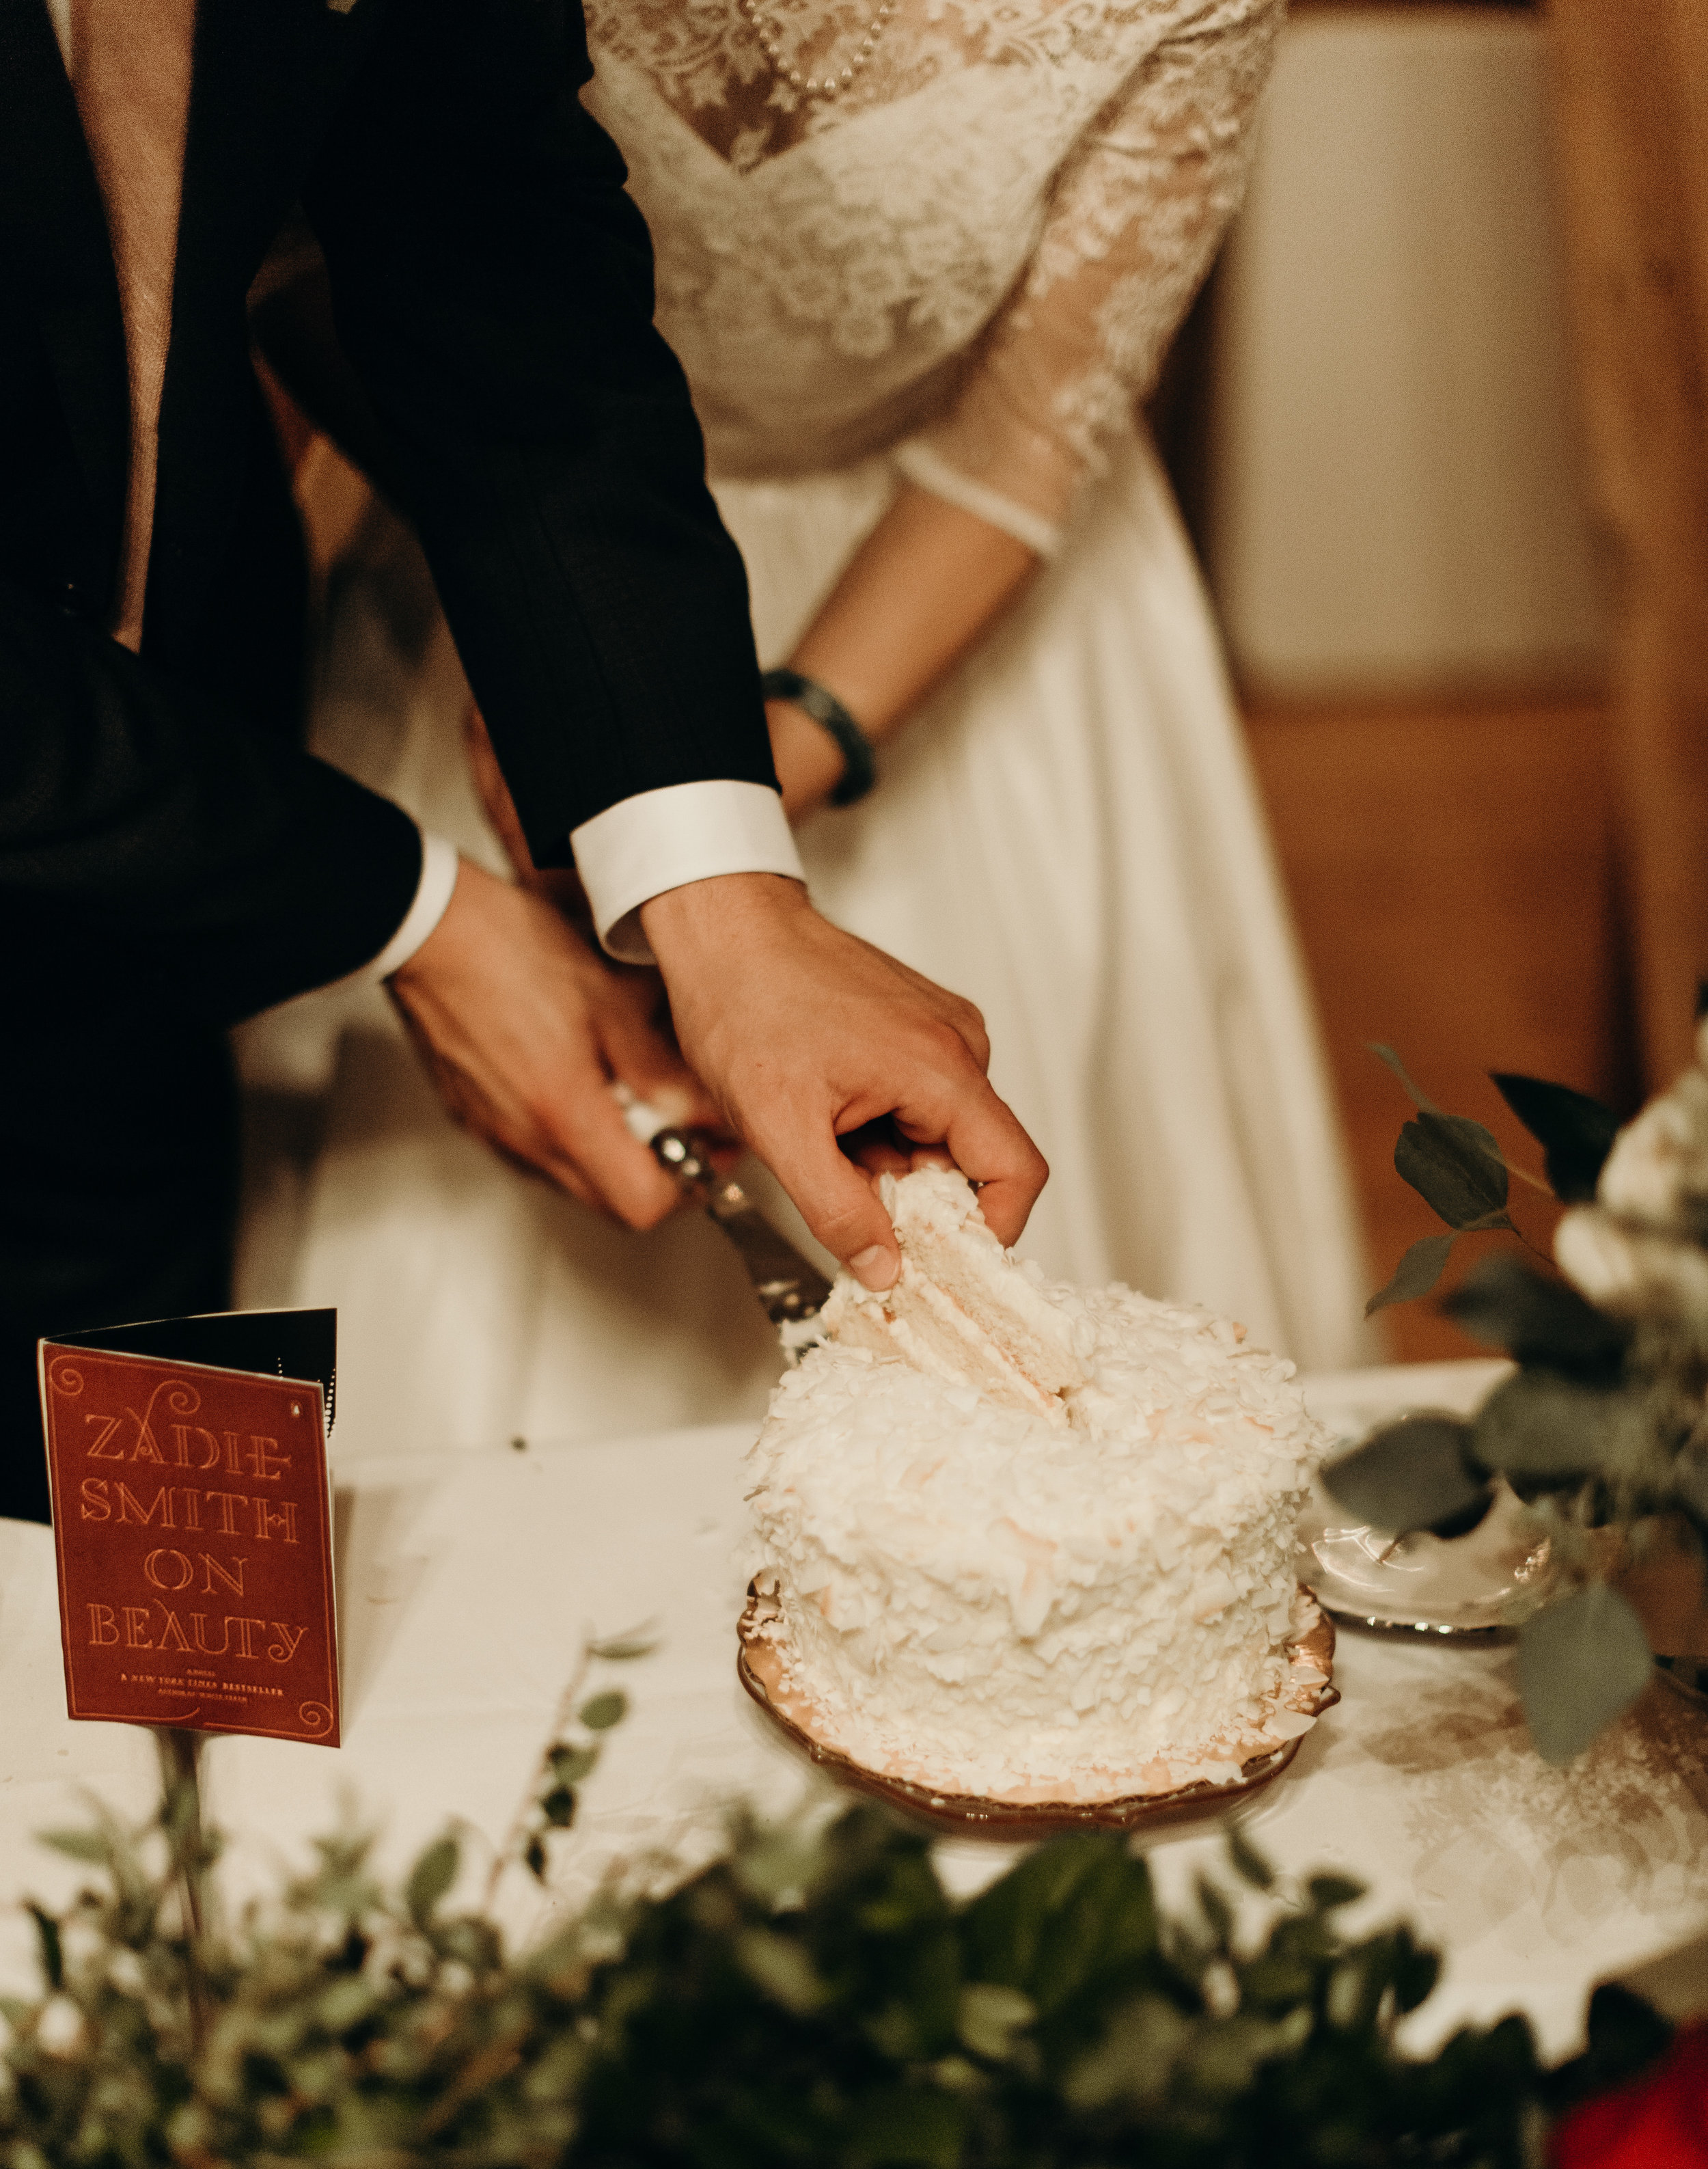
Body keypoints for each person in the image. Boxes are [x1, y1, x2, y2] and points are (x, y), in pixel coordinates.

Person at [262, 0, 1367, 1462]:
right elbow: (317, 248)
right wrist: (562, 657)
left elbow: (1031, 429)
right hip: (487, 536)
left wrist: (747, 774)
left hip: (941, 616)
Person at [0, 0, 1043, 1523]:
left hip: (161, 890)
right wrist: (412, 912)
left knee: (110, 1597)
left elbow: (482, 237)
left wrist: (720, 901)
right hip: (218, 829)